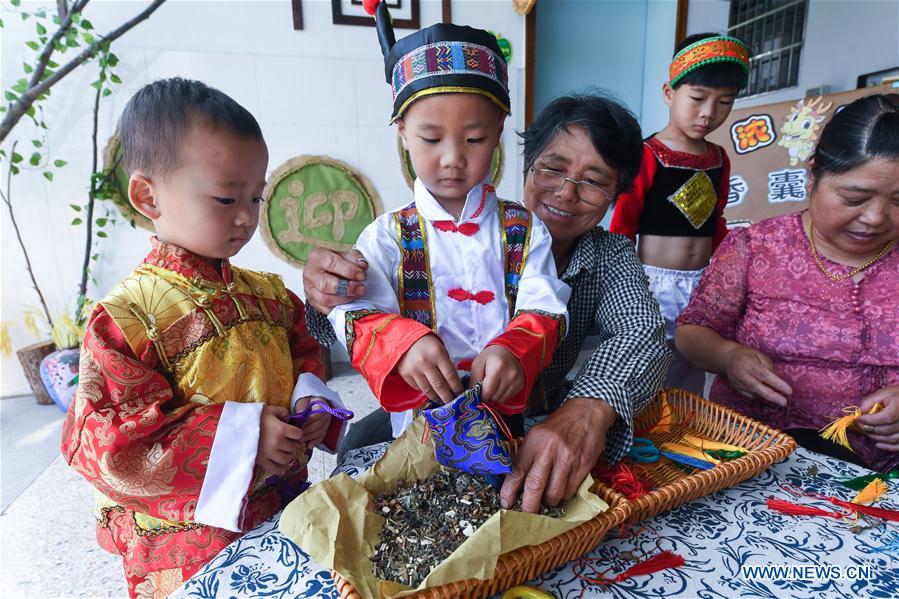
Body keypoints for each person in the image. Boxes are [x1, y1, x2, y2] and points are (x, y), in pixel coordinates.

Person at [305, 92, 672, 512]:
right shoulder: (394, 233)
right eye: (553, 169)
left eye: (594, 181)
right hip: (416, 422)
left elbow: (642, 334)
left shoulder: (606, 254)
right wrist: (329, 295)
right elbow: (347, 312)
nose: (567, 194)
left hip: (520, 426)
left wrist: (587, 407)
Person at [60, 78, 348, 597]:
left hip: (279, 503)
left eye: (255, 197)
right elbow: (109, 446)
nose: (246, 217)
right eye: (225, 197)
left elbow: (305, 354)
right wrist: (241, 436)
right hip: (191, 541)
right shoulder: (126, 319)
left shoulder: (268, 294)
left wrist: (310, 403)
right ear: (148, 195)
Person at [326, 1, 570, 438]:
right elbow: (351, 311)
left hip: (506, 416)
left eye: (475, 138)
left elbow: (544, 304)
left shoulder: (523, 229)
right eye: (431, 138)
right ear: (402, 132)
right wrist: (402, 344)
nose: (453, 158)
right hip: (420, 427)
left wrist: (515, 351)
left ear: (497, 132)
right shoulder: (386, 236)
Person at [676, 93, 899, 472]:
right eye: (854, 198)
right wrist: (729, 358)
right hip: (755, 455)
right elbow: (693, 332)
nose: (875, 217)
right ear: (813, 175)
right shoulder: (757, 247)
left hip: (879, 474)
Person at [609, 33, 750, 396]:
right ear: (669, 93)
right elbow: (624, 222)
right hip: (651, 282)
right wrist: (623, 282)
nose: (709, 113)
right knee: (647, 362)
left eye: (724, 102)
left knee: (690, 371)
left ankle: (680, 434)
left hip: (702, 283)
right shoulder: (648, 153)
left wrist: (727, 272)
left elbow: (716, 221)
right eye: (698, 98)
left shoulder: (719, 157)